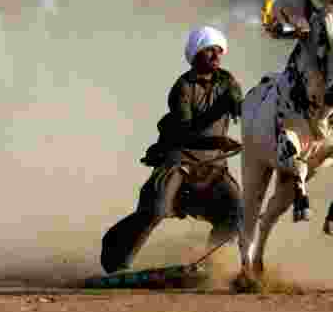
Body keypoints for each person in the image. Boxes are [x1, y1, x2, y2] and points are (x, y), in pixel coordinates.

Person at [100, 27, 245, 274]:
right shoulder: (183, 88)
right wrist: (219, 142)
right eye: (209, 50)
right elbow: (185, 133)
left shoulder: (228, 81)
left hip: (214, 166)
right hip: (180, 161)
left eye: (219, 51)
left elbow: (240, 107)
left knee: (239, 213)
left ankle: (209, 264)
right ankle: (118, 264)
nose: (216, 56)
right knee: (155, 210)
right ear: (195, 54)